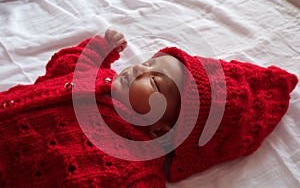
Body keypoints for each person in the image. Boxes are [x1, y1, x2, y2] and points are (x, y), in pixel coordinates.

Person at [0, 29, 298, 187]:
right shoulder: (100, 78)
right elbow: (61, 68)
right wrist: (97, 49)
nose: (139, 69)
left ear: (163, 129)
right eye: (149, 62)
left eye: (154, 83)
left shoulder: (133, 166)